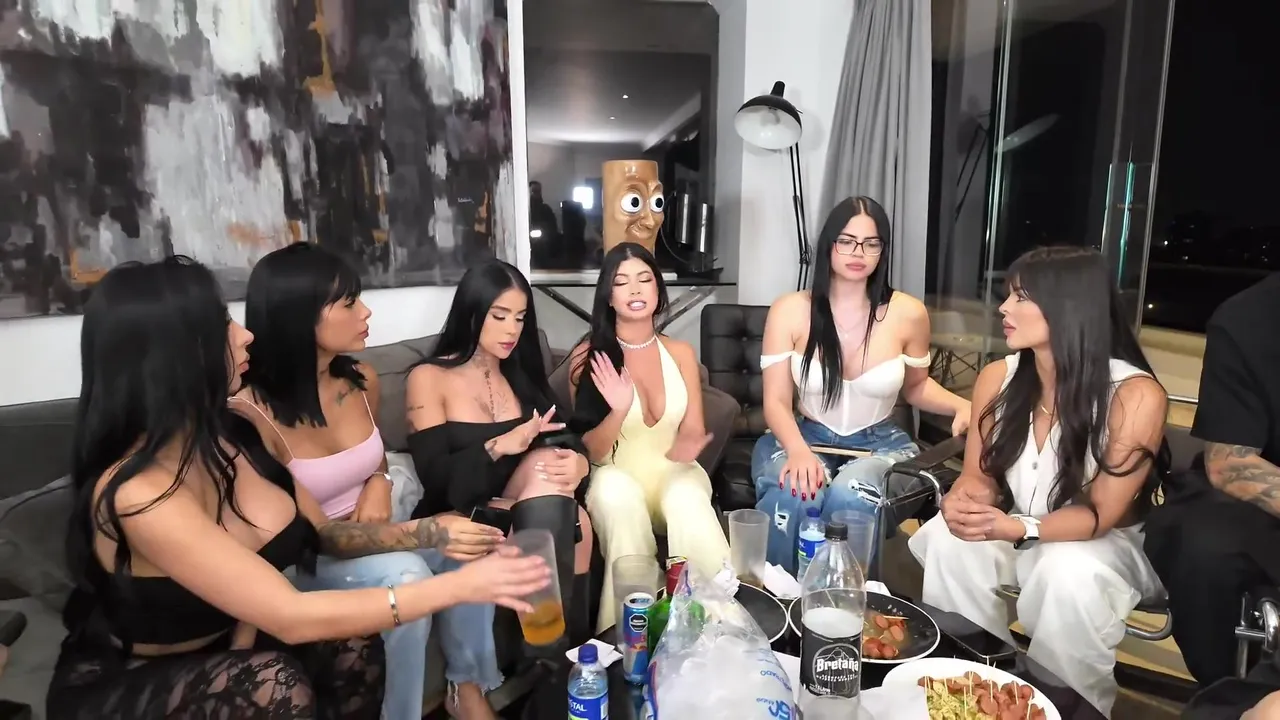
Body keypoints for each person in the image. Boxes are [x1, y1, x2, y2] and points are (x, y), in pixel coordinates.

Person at [47, 257, 550, 720]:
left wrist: (431, 530)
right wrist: (461, 586)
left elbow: (323, 533)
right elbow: (289, 615)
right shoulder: (139, 495)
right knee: (277, 682)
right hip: (136, 675)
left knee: (356, 644)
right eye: (223, 325)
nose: (245, 335)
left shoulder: (231, 438)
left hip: (242, 635)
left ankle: (469, 688)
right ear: (175, 355)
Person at [236, 243, 505, 719]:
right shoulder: (250, 415)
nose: (366, 311)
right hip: (310, 558)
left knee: (473, 544)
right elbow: (323, 537)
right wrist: (429, 529)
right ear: (300, 317)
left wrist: (379, 479)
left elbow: (373, 455)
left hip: (377, 530)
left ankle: (466, 689)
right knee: (407, 575)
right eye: (348, 303)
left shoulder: (360, 379)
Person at [908, 246, 1169, 716]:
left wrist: (1018, 528)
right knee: (951, 541)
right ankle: (969, 690)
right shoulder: (999, 378)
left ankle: (1064, 706)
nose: (1003, 309)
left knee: (1064, 571)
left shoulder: (1133, 395)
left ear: (1069, 307)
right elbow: (978, 477)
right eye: (1008, 296)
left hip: (1103, 544)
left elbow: (1100, 515)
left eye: (1021, 298)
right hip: (1020, 526)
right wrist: (963, 501)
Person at [752, 196, 971, 574]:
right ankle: (780, 594)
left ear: (883, 251)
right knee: (798, 494)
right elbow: (775, 400)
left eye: (871, 243)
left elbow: (916, 387)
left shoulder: (908, 313)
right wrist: (798, 452)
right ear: (829, 245)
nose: (859, 252)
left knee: (853, 495)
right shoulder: (790, 309)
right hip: (805, 436)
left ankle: (840, 598)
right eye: (847, 241)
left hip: (880, 444)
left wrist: (961, 405)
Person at [405, 259, 594, 646]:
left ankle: (556, 650)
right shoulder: (428, 378)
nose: (512, 330)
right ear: (471, 312)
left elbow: (563, 435)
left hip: (526, 502)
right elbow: (438, 482)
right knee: (567, 519)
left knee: (552, 478)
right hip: (460, 507)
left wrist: (580, 463)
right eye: (500, 316)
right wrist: (498, 446)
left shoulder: (519, 371)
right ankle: (556, 652)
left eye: (520, 318)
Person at [569, 243, 731, 631]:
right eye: (622, 282)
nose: (635, 289)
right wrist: (619, 409)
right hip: (614, 473)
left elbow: (693, 427)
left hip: (672, 470)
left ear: (658, 290)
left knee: (686, 496)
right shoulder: (589, 358)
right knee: (618, 498)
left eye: (644, 279)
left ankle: (719, 620)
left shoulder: (681, 353)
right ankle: (632, 628)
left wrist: (691, 441)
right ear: (609, 296)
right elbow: (591, 451)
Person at [1143, 272, 1280, 688]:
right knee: (1205, 544)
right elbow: (1230, 463)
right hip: (1255, 505)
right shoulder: (1249, 318)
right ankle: (1233, 695)